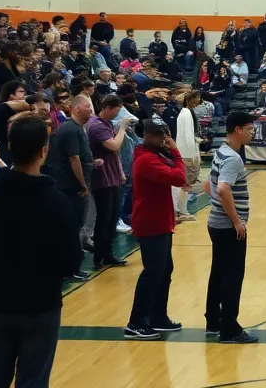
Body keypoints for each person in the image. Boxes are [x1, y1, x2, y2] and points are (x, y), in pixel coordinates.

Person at [0, 114, 81, 388]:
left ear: (10, 148)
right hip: (41, 303)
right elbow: (71, 260)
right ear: (44, 150)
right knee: (33, 379)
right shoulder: (57, 201)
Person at [124, 116, 186, 341]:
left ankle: (157, 316)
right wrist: (177, 152)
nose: (165, 139)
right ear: (148, 135)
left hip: (160, 220)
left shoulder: (152, 154)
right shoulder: (147, 160)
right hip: (151, 222)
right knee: (152, 272)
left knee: (164, 270)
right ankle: (136, 322)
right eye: (160, 135)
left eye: (166, 135)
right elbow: (180, 178)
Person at [205, 110, 258, 343]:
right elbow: (222, 188)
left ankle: (213, 320)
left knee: (218, 273)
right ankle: (229, 329)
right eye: (249, 129)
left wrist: (216, 206)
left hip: (216, 223)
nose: (252, 133)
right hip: (228, 227)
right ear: (238, 130)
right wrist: (236, 221)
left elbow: (209, 184)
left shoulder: (222, 151)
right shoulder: (233, 158)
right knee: (232, 277)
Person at [44, 95, 96, 281]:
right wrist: (83, 184)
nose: (90, 110)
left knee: (76, 226)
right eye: (86, 107)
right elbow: (74, 159)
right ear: (75, 109)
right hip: (70, 186)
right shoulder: (70, 129)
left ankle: (72, 266)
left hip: (72, 185)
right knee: (71, 227)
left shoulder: (76, 128)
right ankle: (70, 268)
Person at [87, 95, 132, 269]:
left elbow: (115, 154)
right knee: (104, 219)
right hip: (102, 179)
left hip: (112, 176)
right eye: (116, 111)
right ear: (107, 107)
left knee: (112, 218)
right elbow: (114, 146)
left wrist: (120, 171)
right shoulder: (96, 125)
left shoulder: (105, 124)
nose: (117, 115)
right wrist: (123, 128)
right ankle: (99, 256)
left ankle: (107, 254)